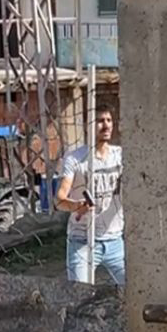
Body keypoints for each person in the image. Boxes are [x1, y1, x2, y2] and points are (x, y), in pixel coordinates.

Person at [56, 105, 124, 285]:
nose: (106, 125)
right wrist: (77, 205)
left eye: (109, 120)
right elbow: (59, 200)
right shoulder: (75, 159)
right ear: (89, 126)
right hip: (82, 240)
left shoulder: (120, 156)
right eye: (100, 121)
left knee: (133, 291)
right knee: (80, 297)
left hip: (114, 239)